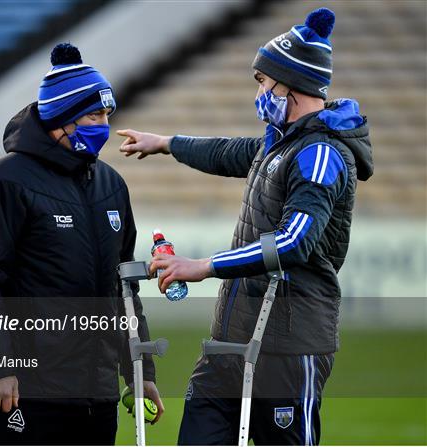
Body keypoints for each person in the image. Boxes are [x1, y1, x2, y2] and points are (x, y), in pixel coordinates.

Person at [118, 8, 373, 446]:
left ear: (288, 83)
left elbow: (294, 242)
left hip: (289, 348)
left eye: (262, 81)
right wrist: (166, 144)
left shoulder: (322, 155)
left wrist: (203, 266)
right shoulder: (281, 143)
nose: (258, 90)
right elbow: (228, 151)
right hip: (231, 345)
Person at [0, 43, 163, 446]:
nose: (104, 125)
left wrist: (141, 372)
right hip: (29, 391)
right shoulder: (5, 182)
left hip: (97, 396)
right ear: (61, 119)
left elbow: (124, 288)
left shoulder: (111, 184)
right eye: (94, 114)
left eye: (107, 114)